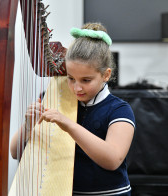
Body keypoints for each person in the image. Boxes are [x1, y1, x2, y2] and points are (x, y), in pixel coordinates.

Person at [10, 22, 135, 195]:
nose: (77, 88)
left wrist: (68, 125)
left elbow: (113, 159)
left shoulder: (119, 110)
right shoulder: (53, 98)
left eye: (86, 80)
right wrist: (28, 125)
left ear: (106, 75)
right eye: (70, 78)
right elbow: (15, 152)